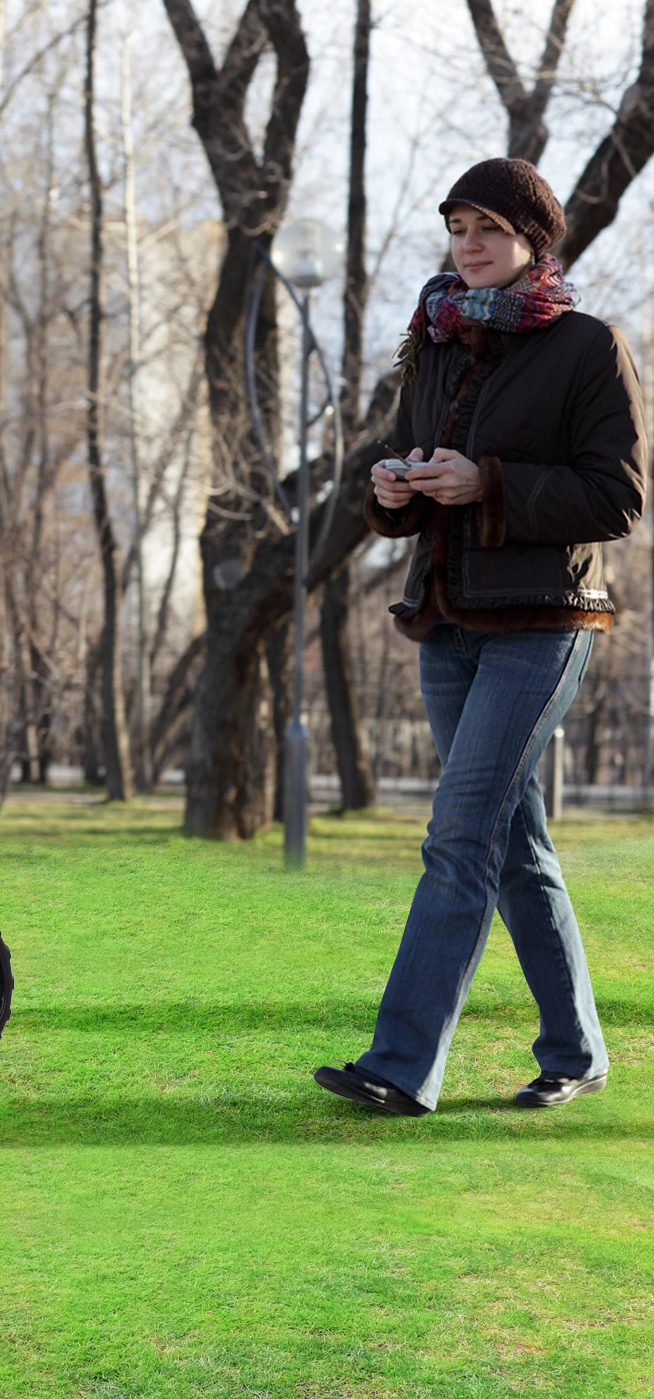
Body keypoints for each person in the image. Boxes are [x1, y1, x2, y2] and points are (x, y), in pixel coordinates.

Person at [314, 157, 647, 1117]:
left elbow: (618, 498)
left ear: (534, 243)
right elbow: (413, 471)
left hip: (546, 623)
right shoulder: (433, 341)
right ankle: (577, 1049)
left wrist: (488, 483)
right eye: (459, 228)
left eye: (490, 230)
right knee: (513, 848)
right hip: (445, 621)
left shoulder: (589, 347)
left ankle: (400, 1064)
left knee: (457, 835)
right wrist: (394, 490)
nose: (470, 245)